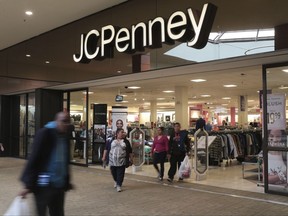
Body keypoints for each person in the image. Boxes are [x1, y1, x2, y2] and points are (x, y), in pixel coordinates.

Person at [19, 112, 73, 216]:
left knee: (58, 212)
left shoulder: (64, 136)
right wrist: (28, 185)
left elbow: (65, 161)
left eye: (68, 122)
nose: (66, 124)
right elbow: (34, 158)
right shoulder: (45, 133)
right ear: (56, 121)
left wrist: (67, 180)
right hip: (43, 184)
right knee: (41, 212)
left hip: (59, 185)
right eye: (64, 121)